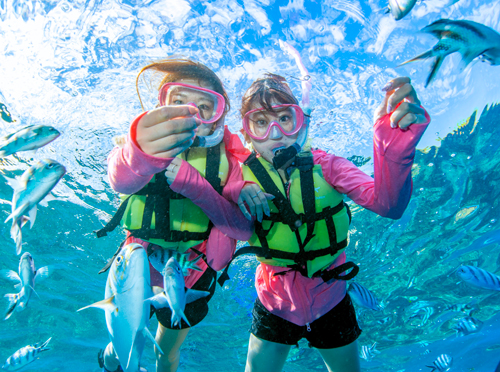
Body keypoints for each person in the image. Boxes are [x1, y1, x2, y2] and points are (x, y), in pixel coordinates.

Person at [231, 73, 430, 372]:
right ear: (247, 134)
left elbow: (389, 206)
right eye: (261, 122)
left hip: (331, 300)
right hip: (274, 303)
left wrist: (394, 153)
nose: (275, 132)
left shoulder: (328, 166)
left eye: (285, 118)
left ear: (300, 123)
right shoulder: (238, 177)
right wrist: (234, 188)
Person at [96, 58, 252, 372]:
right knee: (126, 340)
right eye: (178, 101)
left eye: (205, 106)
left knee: (166, 351)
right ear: (161, 106)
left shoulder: (233, 162)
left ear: (218, 119)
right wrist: (139, 152)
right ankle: (112, 357)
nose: (190, 113)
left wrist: (195, 184)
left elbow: (242, 229)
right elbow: (120, 178)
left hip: (190, 273)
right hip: (137, 267)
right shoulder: (140, 145)